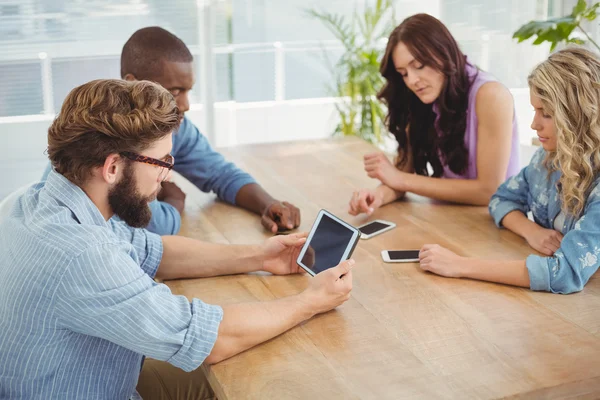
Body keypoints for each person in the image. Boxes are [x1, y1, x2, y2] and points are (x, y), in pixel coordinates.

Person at [0, 79, 354, 399]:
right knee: (258, 378)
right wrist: (312, 301)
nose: (167, 175)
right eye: (161, 161)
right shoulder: (82, 255)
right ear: (112, 168)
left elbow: (155, 251)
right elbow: (212, 339)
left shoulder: (32, 201)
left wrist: (260, 256)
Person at [42, 26, 301, 235]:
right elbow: (145, 223)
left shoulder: (174, 128)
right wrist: (175, 204)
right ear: (133, 84)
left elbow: (220, 172)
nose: (186, 105)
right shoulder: (95, 137)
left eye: (188, 90)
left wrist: (267, 203)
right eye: (175, 91)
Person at [418, 47, 600, 294]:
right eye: (535, 110)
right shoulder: (546, 159)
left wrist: (460, 265)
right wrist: (531, 231)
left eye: (546, 114)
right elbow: (501, 199)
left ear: (579, 116)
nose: (534, 124)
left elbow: (564, 273)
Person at [349, 13, 519, 216]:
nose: (412, 80)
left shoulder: (491, 96)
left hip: (492, 225)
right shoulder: (421, 98)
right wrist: (377, 196)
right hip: (443, 219)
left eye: (419, 66)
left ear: (443, 52)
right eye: (403, 73)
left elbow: (489, 191)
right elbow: (401, 175)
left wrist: (399, 179)